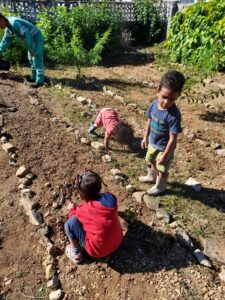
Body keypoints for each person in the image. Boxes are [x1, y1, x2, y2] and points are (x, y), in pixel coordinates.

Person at [139, 70, 185, 196]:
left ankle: (161, 185)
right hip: (153, 142)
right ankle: (151, 176)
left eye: (172, 99)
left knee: (162, 167)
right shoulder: (154, 105)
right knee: (149, 159)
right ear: (158, 90)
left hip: (164, 148)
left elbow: (173, 139)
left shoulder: (174, 115)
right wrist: (145, 137)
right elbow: (149, 120)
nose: (166, 102)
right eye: (164, 97)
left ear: (178, 95)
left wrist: (165, 155)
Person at [64, 170, 123, 264]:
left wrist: (71, 210)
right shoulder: (110, 198)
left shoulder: (83, 210)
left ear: (82, 196)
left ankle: (76, 253)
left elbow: (75, 218)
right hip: (118, 240)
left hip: (97, 251)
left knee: (70, 224)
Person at [0, 13, 44, 88]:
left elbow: (27, 34)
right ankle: (33, 78)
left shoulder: (14, 23)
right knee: (31, 59)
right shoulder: (9, 27)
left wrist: (31, 49)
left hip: (36, 38)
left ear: (1, 20)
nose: (0, 28)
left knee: (37, 59)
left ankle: (40, 82)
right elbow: (5, 41)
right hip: (31, 40)